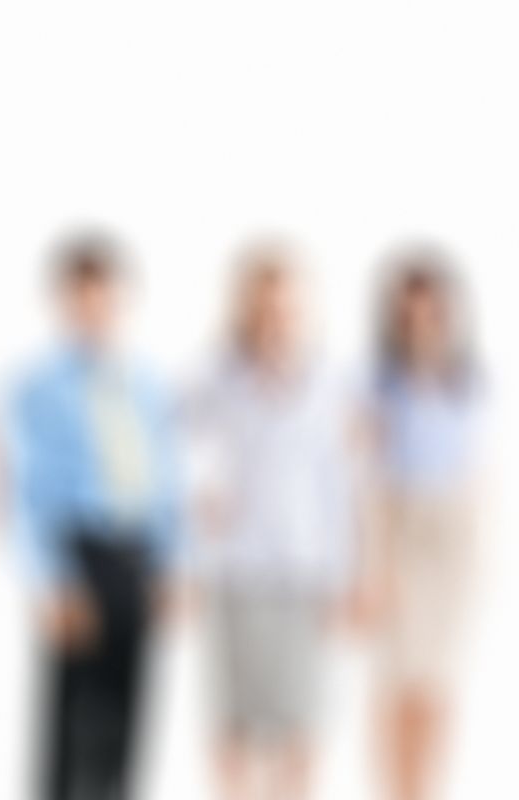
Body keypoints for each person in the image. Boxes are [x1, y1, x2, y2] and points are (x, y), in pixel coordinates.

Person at [1, 229, 183, 800]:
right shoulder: (40, 386)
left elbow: (166, 479)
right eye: (81, 296)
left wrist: (171, 564)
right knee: (71, 718)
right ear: (65, 301)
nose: (93, 308)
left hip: (136, 557)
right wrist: (53, 583)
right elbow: (26, 493)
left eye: (103, 295)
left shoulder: (146, 382)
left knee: (130, 714)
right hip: (79, 556)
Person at [184, 239, 358, 800]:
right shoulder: (217, 374)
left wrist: (343, 574)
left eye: (285, 306)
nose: (275, 317)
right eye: (263, 305)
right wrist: (198, 497)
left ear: (301, 309)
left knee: (302, 722)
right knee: (233, 719)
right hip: (236, 567)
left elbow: (340, 485)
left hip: (304, 570)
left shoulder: (329, 382)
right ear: (245, 307)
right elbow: (171, 444)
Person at [361, 244, 487, 800]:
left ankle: (428, 790)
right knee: (397, 681)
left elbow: (478, 472)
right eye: (409, 313)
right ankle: (397, 790)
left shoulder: (469, 383)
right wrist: (375, 563)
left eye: (432, 312)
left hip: (455, 531)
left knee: (437, 682)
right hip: (402, 524)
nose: (421, 324)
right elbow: (369, 480)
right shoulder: (379, 383)